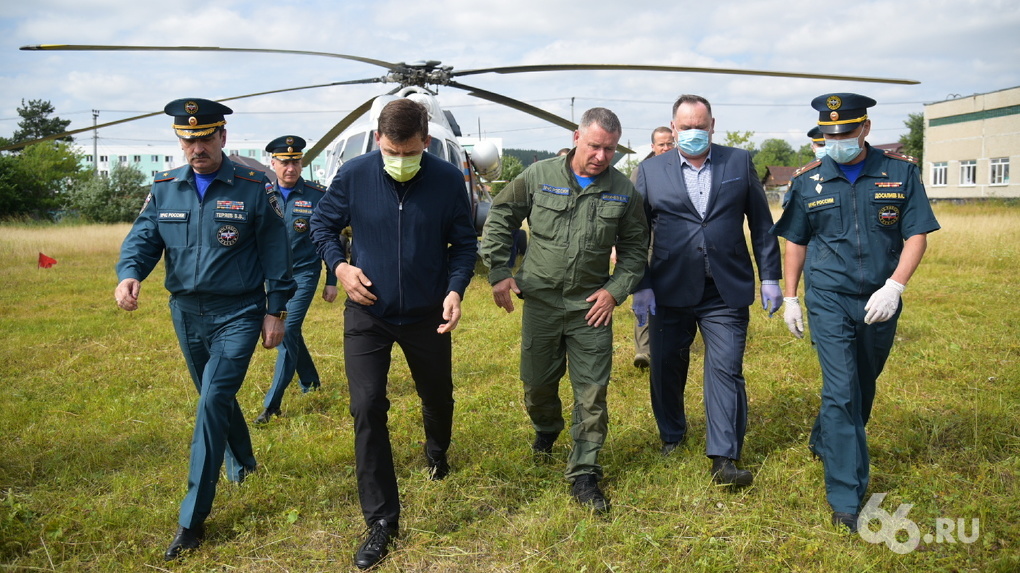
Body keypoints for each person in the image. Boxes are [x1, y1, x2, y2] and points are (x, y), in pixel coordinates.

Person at [114, 98, 295, 560]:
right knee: (213, 396)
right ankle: (245, 461)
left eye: (205, 138)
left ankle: (192, 520)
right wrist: (130, 272)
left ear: (222, 138)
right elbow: (144, 237)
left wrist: (276, 310)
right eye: (188, 139)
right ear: (180, 141)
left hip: (239, 311)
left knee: (212, 399)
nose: (196, 147)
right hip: (186, 313)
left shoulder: (256, 187)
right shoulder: (165, 188)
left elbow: (277, 250)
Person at [309, 98, 476, 570]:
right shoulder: (355, 174)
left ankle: (437, 450)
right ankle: (382, 521)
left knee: (437, 396)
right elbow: (322, 225)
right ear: (379, 140)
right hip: (369, 314)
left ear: (426, 141)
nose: (400, 162)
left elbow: (463, 244)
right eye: (391, 152)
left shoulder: (446, 181)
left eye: (410, 152)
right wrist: (339, 266)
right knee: (366, 406)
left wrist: (456, 289)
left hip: (427, 313)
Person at [771, 93, 939, 531]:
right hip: (829, 297)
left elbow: (917, 233)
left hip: (880, 296)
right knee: (842, 389)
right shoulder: (808, 182)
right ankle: (846, 495)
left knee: (863, 384)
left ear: (864, 128)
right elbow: (796, 242)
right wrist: (791, 297)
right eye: (828, 134)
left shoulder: (900, 174)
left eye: (844, 132)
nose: (836, 141)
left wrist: (895, 286)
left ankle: (825, 437)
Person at [480, 107, 648, 514]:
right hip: (540, 301)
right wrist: (500, 270)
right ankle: (546, 427)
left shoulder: (624, 190)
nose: (601, 156)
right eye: (595, 146)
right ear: (577, 137)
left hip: (591, 307)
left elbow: (635, 251)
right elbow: (501, 215)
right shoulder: (539, 177)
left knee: (592, 393)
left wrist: (614, 292)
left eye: (610, 149)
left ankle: (584, 473)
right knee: (537, 385)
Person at [632, 94, 782, 486]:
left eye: (701, 126)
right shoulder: (650, 171)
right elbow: (635, 234)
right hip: (669, 287)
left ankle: (724, 457)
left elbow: (762, 223)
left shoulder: (738, 161)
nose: (694, 133)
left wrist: (770, 276)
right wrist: (641, 285)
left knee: (726, 370)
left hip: (725, 287)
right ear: (673, 127)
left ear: (713, 124)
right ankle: (672, 434)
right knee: (666, 367)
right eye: (686, 127)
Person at [254, 135, 338, 424]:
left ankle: (272, 404)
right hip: (270, 276)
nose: (291, 168)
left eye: (296, 162)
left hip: (304, 273)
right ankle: (311, 381)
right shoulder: (261, 194)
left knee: (287, 330)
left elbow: (331, 237)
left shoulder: (317, 195)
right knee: (293, 333)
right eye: (285, 162)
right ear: (273, 164)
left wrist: (332, 279)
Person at [628, 126, 675, 369]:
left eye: (670, 144)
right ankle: (643, 351)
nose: (666, 148)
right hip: (647, 246)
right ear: (653, 147)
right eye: (661, 145)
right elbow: (631, 215)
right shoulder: (642, 172)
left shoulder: (682, 170)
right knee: (644, 294)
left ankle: (667, 342)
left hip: (677, 247)